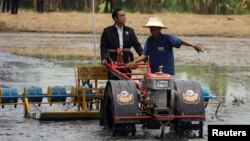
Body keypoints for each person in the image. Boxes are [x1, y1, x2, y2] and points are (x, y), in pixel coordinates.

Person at [129, 17, 203, 75]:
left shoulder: (167, 38)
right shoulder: (149, 40)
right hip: (154, 71)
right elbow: (144, 55)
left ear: (159, 29)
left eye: (155, 30)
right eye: (151, 30)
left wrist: (193, 46)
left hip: (167, 71)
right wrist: (134, 61)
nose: (153, 32)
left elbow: (181, 42)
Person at [100, 8, 143, 79]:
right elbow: (103, 47)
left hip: (127, 61)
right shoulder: (107, 31)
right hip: (112, 61)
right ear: (115, 18)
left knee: (127, 80)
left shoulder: (130, 31)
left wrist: (143, 57)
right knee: (113, 81)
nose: (124, 17)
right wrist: (103, 58)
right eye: (121, 16)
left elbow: (137, 45)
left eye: (124, 15)